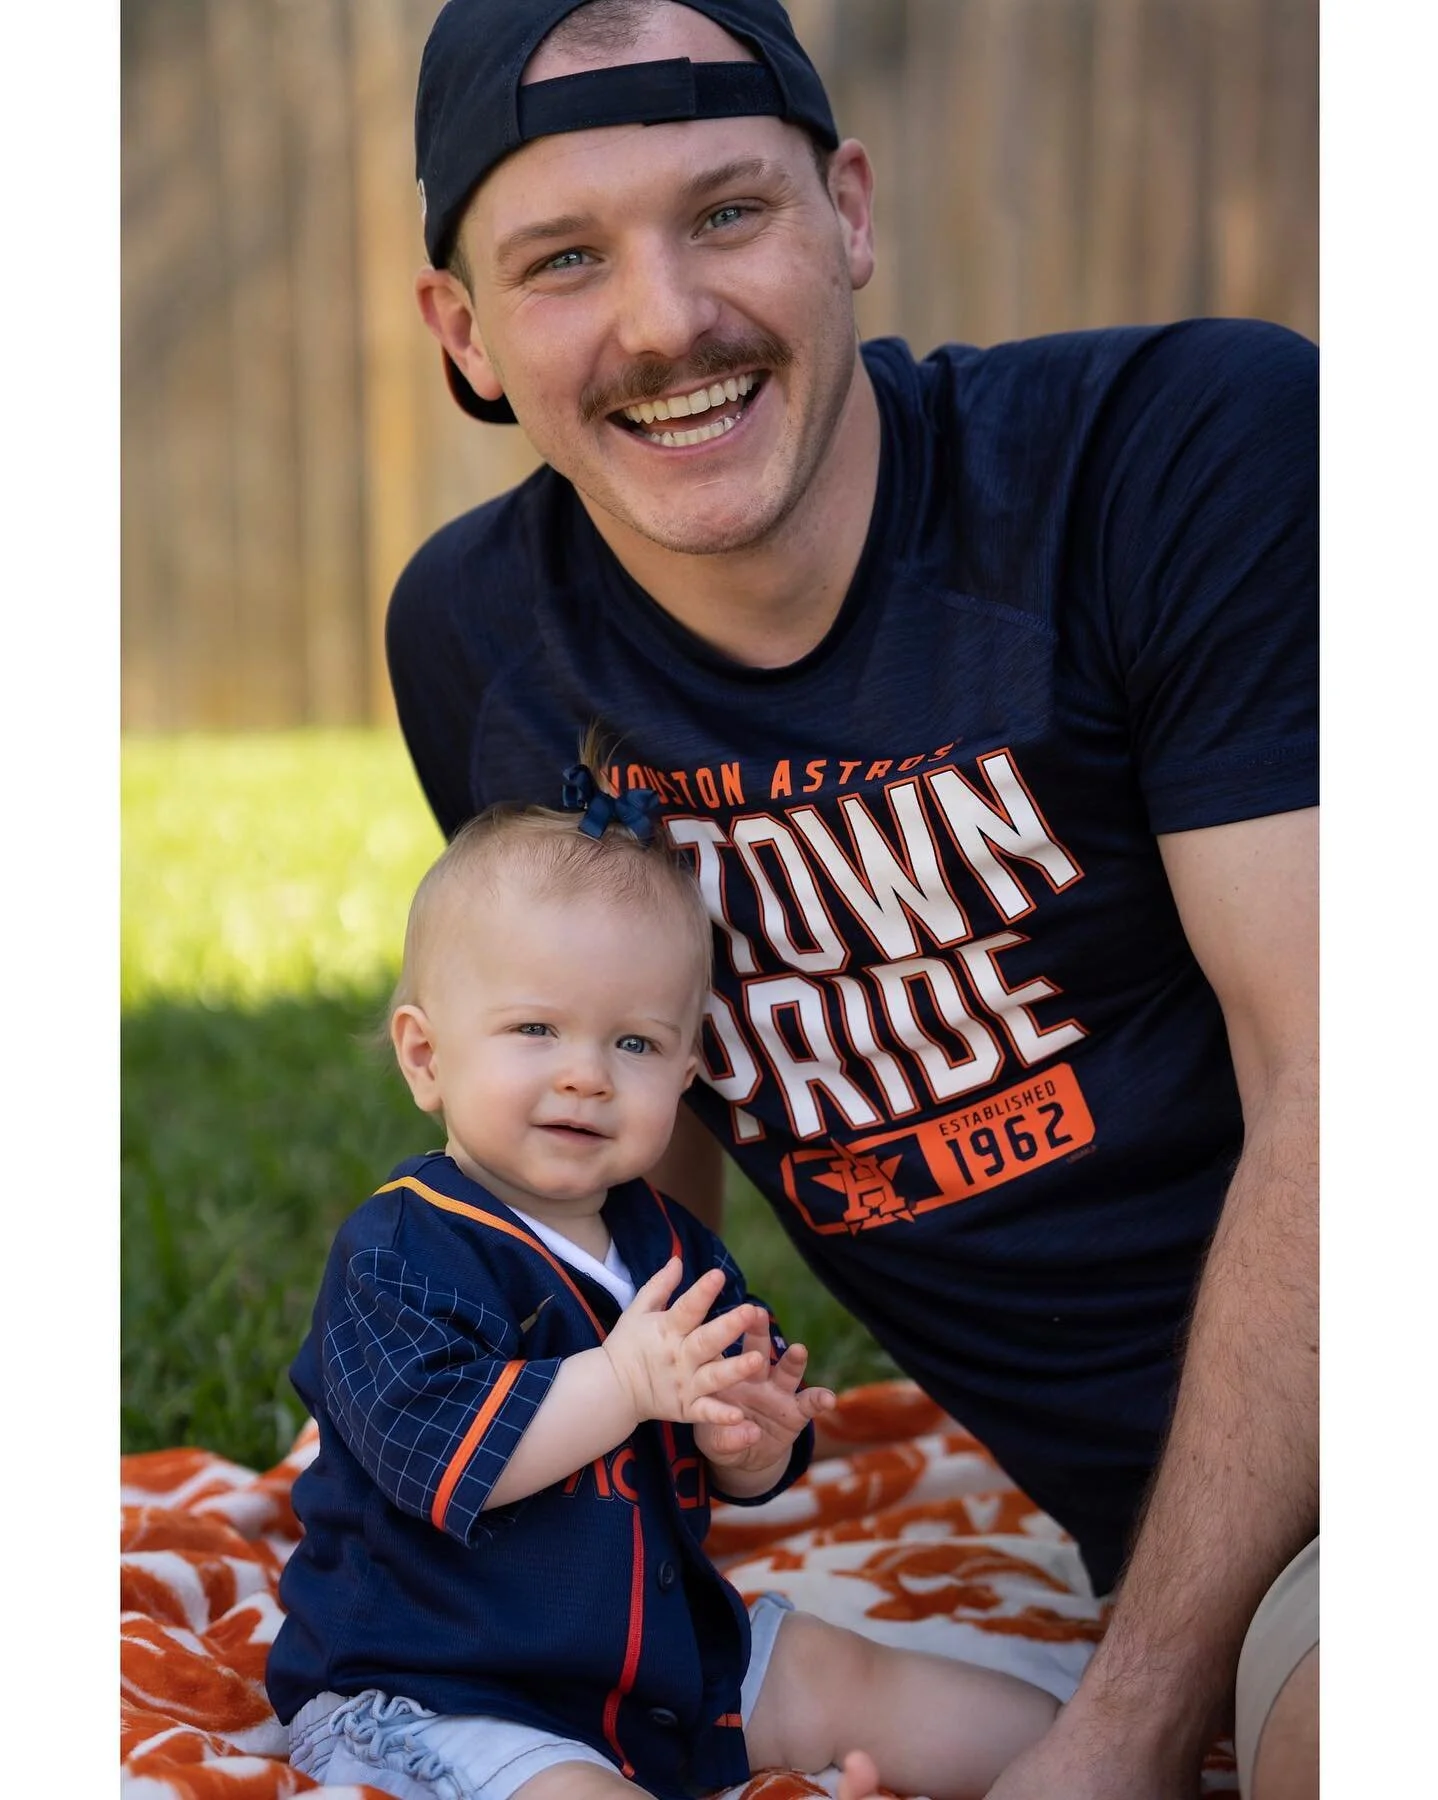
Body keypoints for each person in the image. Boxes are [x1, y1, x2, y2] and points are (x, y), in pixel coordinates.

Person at [386, 2, 1320, 1795]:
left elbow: (1351, 1080)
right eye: (564, 258)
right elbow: (607, 1147)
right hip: (1235, 1554)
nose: (668, 321)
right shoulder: (484, 644)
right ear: (468, 334)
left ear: (853, 215)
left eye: (727, 213)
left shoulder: (1183, 457)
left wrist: (1121, 1734)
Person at [265, 765, 1063, 1800]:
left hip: (659, 1668)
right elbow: (450, 1457)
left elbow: (736, 1459)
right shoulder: (399, 1250)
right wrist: (630, 1383)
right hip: (442, 1688)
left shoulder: (670, 1248)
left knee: (848, 1671)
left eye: (634, 1042)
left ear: (685, 1076)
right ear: (426, 1057)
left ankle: (1069, 1757)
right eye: (535, 1030)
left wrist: (750, 1441)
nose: (586, 1073)